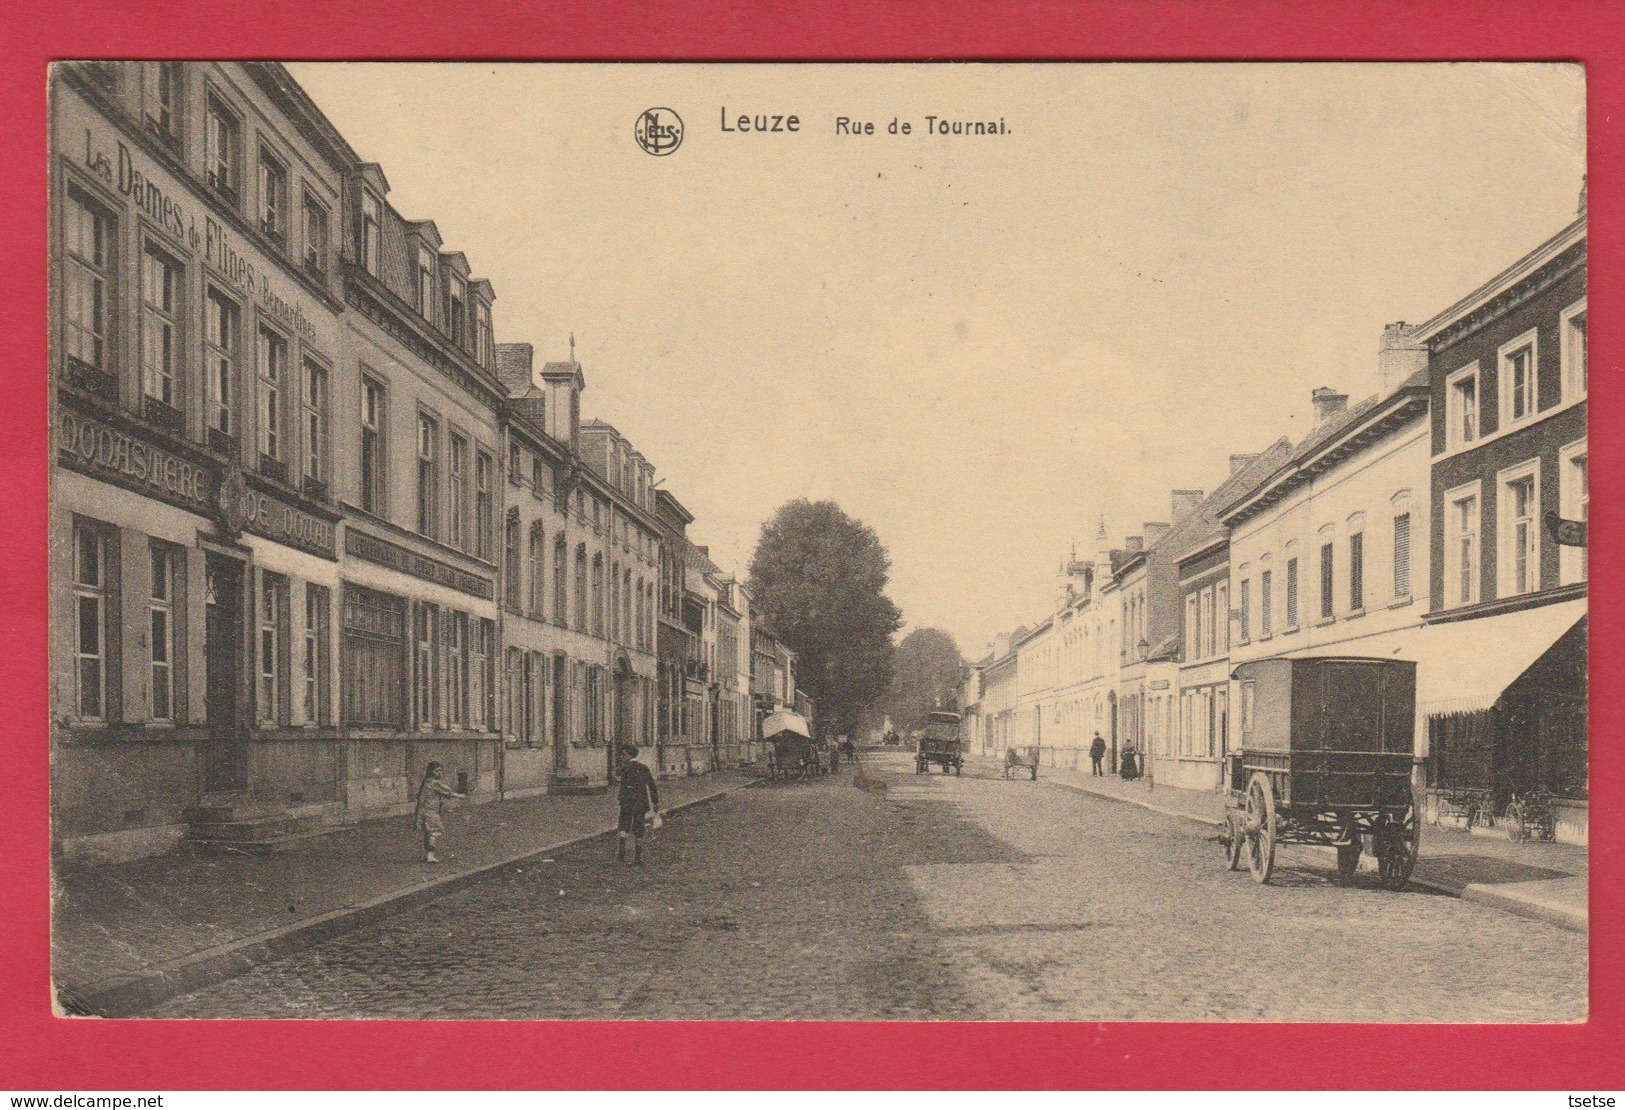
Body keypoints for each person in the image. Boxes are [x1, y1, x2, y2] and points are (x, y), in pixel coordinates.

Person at [616, 744, 660, 865]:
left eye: (623, 755)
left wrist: (621, 799)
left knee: (624, 826)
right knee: (638, 828)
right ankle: (637, 857)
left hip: (628, 802)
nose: (622, 757)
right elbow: (652, 786)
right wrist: (655, 802)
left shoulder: (626, 768)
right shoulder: (643, 768)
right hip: (641, 803)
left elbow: (623, 787)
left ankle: (621, 853)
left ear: (629, 755)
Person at [413, 762, 465, 864]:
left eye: (440, 770)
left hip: (424, 811)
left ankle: (428, 855)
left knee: (427, 834)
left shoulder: (427, 782)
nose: (439, 773)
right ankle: (430, 856)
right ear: (430, 772)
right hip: (431, 812)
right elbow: (447, 791)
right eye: (436, 771)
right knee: (433, 833)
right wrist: (459, 796)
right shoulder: (434, 783)